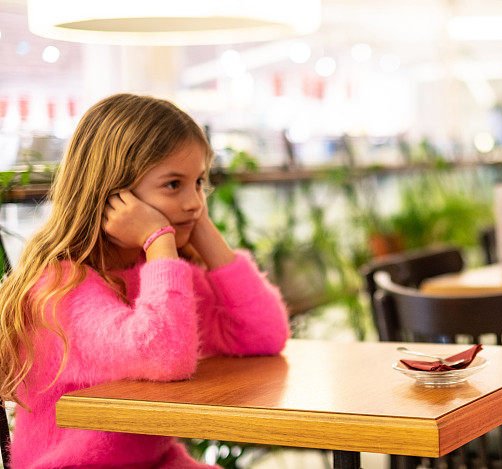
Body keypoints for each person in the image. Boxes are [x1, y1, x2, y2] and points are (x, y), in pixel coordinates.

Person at [0, 93, 290, 468]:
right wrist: (158, 239)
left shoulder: (148, 270)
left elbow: (263, 335)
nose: (194, 201)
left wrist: (203, 230)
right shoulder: (61, 288)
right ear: (113, 193)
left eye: (199, 183)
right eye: (173, 185)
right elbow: (165, 356)